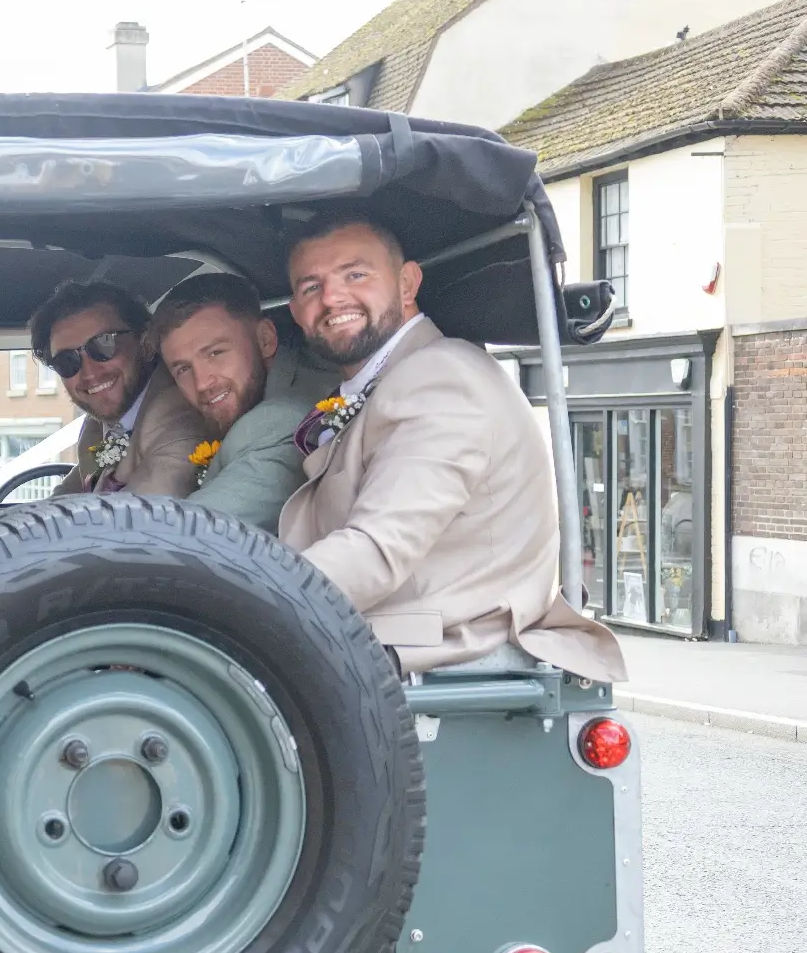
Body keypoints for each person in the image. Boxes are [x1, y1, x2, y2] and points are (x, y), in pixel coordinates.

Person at [277, 210, 626, 680]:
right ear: (297, 312)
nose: (333, 297)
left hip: (435, 650)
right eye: (310, 287)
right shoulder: (396, 377)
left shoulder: (439, 378)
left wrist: (241, 598)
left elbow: (376, 550)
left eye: (355, 274)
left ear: (406, 284)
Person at [152, 271, 336, 532]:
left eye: (216, 353)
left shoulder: (283, 419)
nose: (202, 382)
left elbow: (183, 536)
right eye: (183, 369)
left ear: (265, 340)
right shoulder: (278, 387)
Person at [32, 279, 207, 496]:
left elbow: (134, 522)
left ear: (146, 343)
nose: (90, 373)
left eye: (103, 345)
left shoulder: (177, 413)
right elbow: (63, 503)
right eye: (67, 361)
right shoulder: (96, 428)